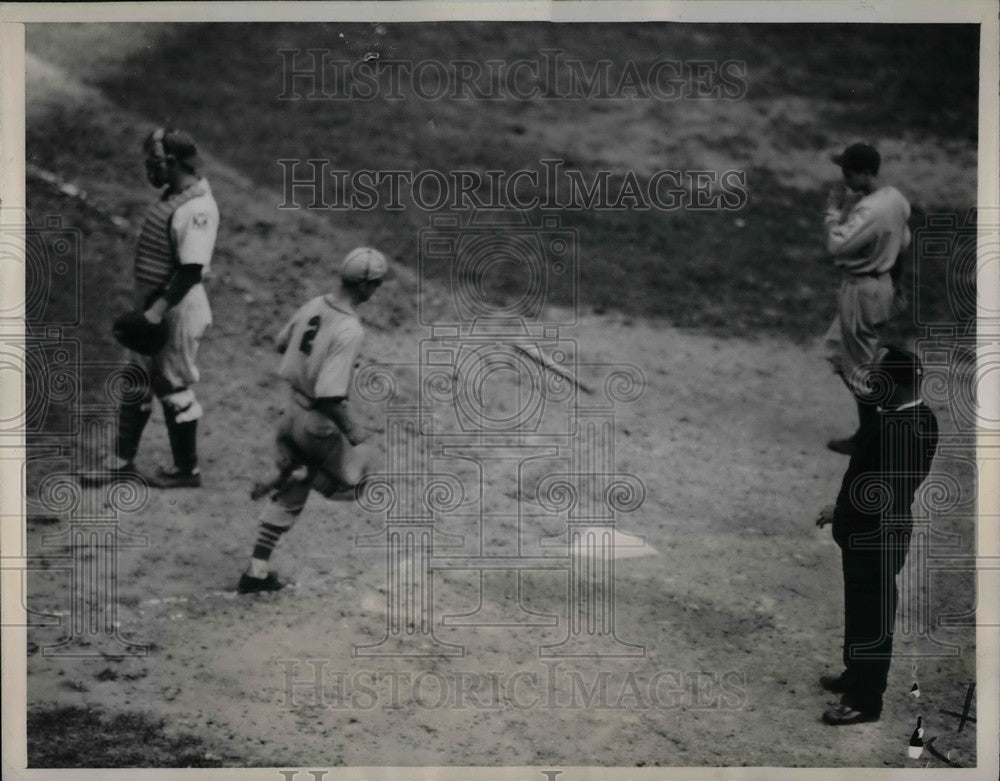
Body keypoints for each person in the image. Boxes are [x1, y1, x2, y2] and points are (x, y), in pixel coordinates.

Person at [237, 247, 386, 594]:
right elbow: (329, 396)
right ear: (365, 286)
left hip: (289, 413)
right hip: (317, 424)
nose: (377, 290)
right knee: (361, 479)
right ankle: (303, 473)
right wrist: (354, 431)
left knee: (291, 495)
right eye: (377, 284)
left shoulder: (315, 303)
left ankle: (256, 572)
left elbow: (282, 344)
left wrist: (319, 361)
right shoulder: (350, 328)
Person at [83, 128, 219, 488]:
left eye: (155, 161)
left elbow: (190, 270)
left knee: (172, 384)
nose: (150, 168)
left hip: (176, 308)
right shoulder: (175, 196)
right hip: (157, 302)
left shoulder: (197, 208)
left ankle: (186, 470)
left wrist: (156, 312)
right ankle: (121, 461)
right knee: (137, 379)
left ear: (172, 162)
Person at [816, 345, 938, 725]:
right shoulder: (920, 418)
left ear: (897, 386)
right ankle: (855, 675)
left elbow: (879, 494)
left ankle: (865, 700)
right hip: (879, 530)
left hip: (874, 535)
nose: (873, 390)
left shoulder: (895, 430)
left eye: (880, 382)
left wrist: (842, 513)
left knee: (871, 617)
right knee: (861, 608)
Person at [822, 142, 911, 455]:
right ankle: (875, 426)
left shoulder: (870, 210)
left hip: (862, 290)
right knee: (837, 350)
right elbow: (903, 243)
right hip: (880, 284)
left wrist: (834, 211)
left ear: (865, 173)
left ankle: (872, 436)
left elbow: (837, 246)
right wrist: (896, 284)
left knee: (858, 367)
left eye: (848, 172)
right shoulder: (895, 199)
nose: (844, 177)